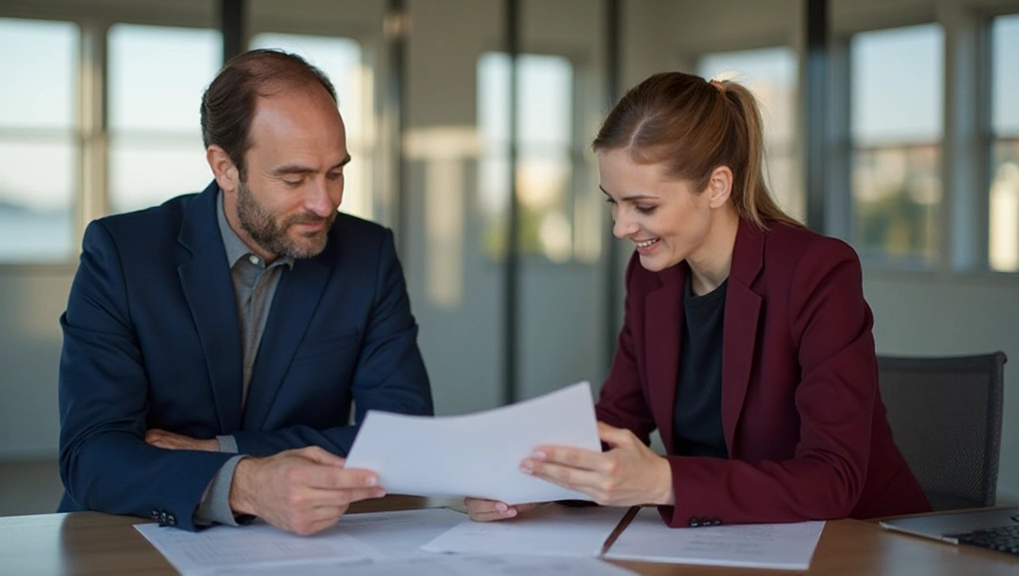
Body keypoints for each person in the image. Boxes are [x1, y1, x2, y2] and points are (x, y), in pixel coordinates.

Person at [465, 72, 931, 526]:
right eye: (614, 202)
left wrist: (664, 482)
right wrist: (532, 481)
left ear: (716, 186)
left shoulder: (818, 272)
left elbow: (834, 478)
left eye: (644, 207)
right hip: (721, 543)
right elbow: (617, 421)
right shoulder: (651, 277)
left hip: (862, 543)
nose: (621, 228)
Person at [57, 49, 433, 535]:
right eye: (294, 178)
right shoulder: (121, 255)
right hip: (131, 532)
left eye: (335, 172)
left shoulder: (369, 254)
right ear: (225, 168)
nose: (324, 203)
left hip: (309, 542)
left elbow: (405, 437)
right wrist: (245, 485)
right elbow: (91, 453)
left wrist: (222, 452)